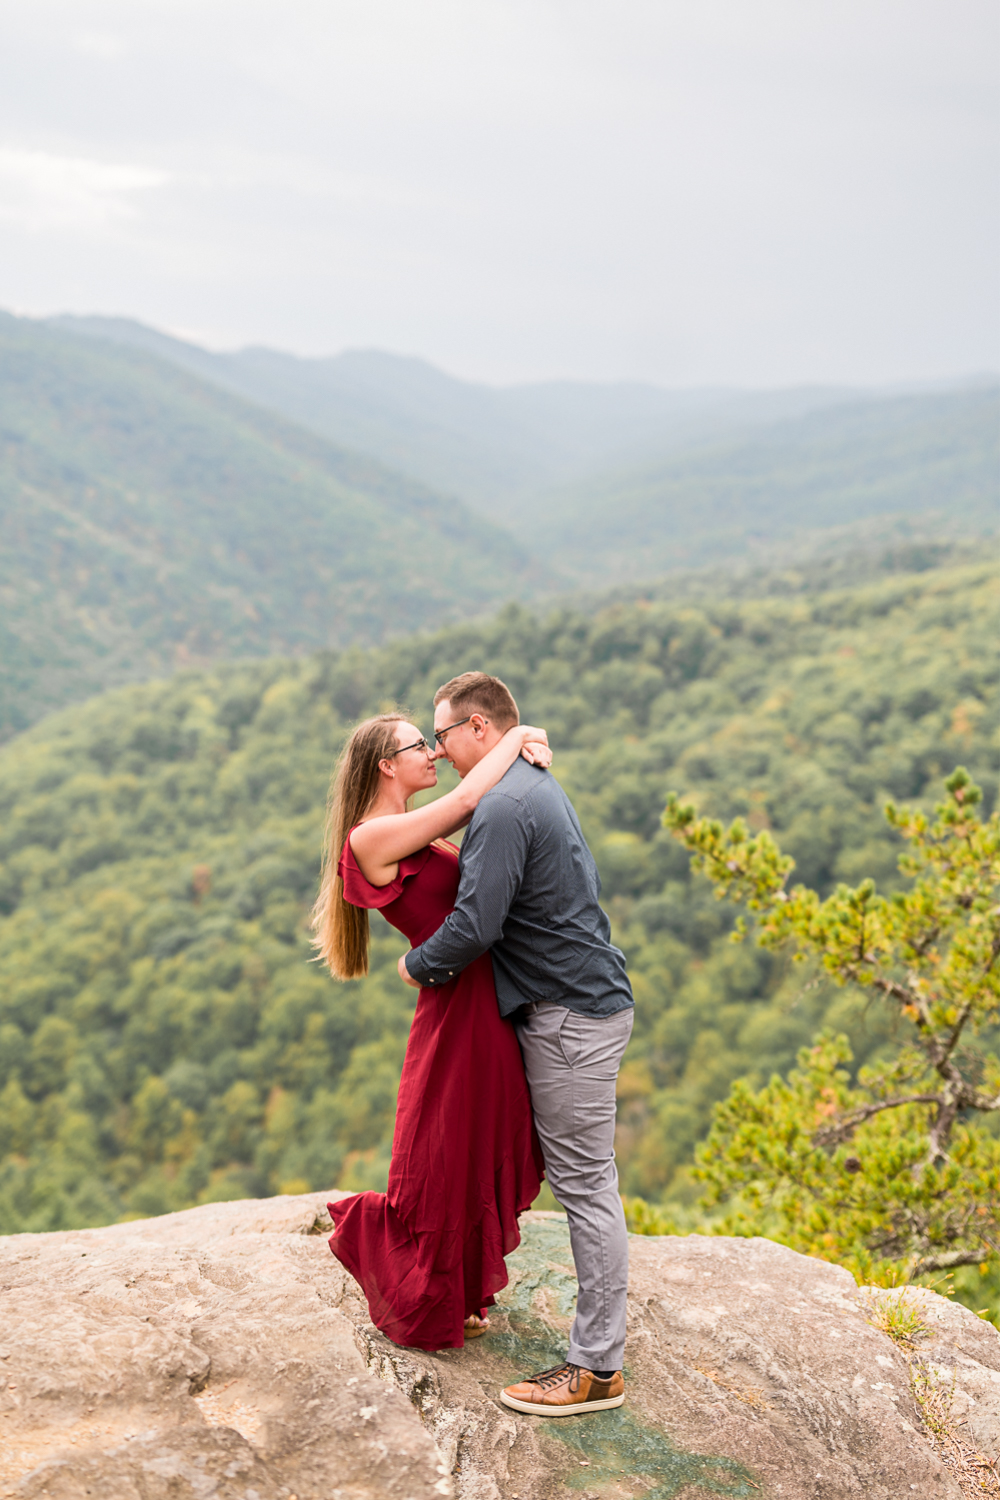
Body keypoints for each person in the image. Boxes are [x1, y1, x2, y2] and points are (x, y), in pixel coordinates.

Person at [398, 672, 635, 1417]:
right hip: (581, 1005)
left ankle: (596, 1368)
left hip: (569, 1017)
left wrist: (416, 964)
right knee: (585, 1180)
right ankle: (595, 1351)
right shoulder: (528, 777)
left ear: (475, 728)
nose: (437, 750)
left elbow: (476, 926)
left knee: (587, 1186)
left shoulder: (502, 805)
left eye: (440, 736)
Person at [312, 710, 548, 1351]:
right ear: (388, 765)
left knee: (474, 1141)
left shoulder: (404, 831)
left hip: (480, 1001)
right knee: (440, 1155)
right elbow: (472, 799)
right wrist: (519, 737)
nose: (435, 754)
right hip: (455, 1011)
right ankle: (427, 1290)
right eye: (422, 745)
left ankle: (464, 1287)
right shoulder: (370, 837)